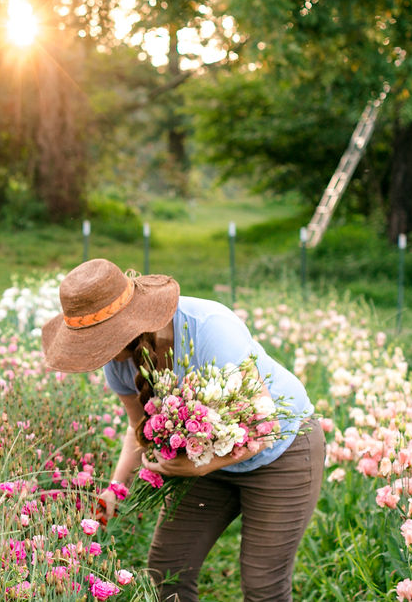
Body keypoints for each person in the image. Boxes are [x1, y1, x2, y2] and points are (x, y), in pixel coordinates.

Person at [41, 258, 323, 602]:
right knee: (167, 571)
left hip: (283, 453)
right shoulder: (117, 364)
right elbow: (138, 430)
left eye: (96, 341)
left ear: (126, 327)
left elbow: (265, 427)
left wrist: (198, 467)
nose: (93, 354)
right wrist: (114, 491)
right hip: (206, 462)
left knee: (263, 584)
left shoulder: (210, 329)